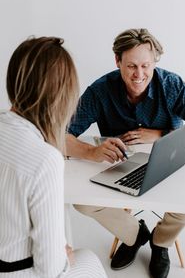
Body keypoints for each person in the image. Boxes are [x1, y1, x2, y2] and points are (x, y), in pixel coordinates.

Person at [66, 28, 185, 278]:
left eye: (146, 65)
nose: (139, 75)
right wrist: (92, 151)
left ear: (154, 63)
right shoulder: (100, 91)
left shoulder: (171, 85)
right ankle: (135, 235)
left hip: (168, 166)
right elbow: (59, 136)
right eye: (131, 65)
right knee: (82, 203)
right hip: (120, 167)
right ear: (117, 61)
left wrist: (160, 135)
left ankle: (160, 242)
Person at [0, 37, 107, 278]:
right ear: (62, 94)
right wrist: (64, 260)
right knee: (89, 260)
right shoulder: (44, 159)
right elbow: (50, 270)